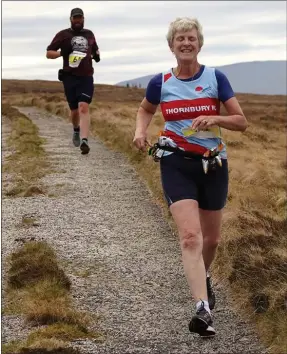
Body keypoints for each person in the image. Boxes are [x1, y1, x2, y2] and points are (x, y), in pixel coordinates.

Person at [133, 17, 247, 337]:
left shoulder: (215, 78)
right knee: (190, 237)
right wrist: (141, 131)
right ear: (171, 46)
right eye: (180, 38)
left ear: (199, 43)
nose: (186, 43)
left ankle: (204, 279)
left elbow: (241, 122)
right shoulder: (161, 81)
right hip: (175, 162)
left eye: (191, 38)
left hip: (212, 164)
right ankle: (202, 309)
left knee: (211, 240)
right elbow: (145, 109)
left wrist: (215, 116)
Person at [46, 8, 100, 155]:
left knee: (83, 106)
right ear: (70, 19)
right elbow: (48, 53)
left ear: (83, 19)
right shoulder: (63, 35)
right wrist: (61, 53)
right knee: (74, 110)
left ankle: (84, 140)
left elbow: (95, 50)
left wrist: (96, 55)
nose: (78, 21)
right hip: (69, 77)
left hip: (86, 76)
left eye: (80, 18)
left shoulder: (89, 34)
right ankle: (76, 130)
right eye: (75, 18)